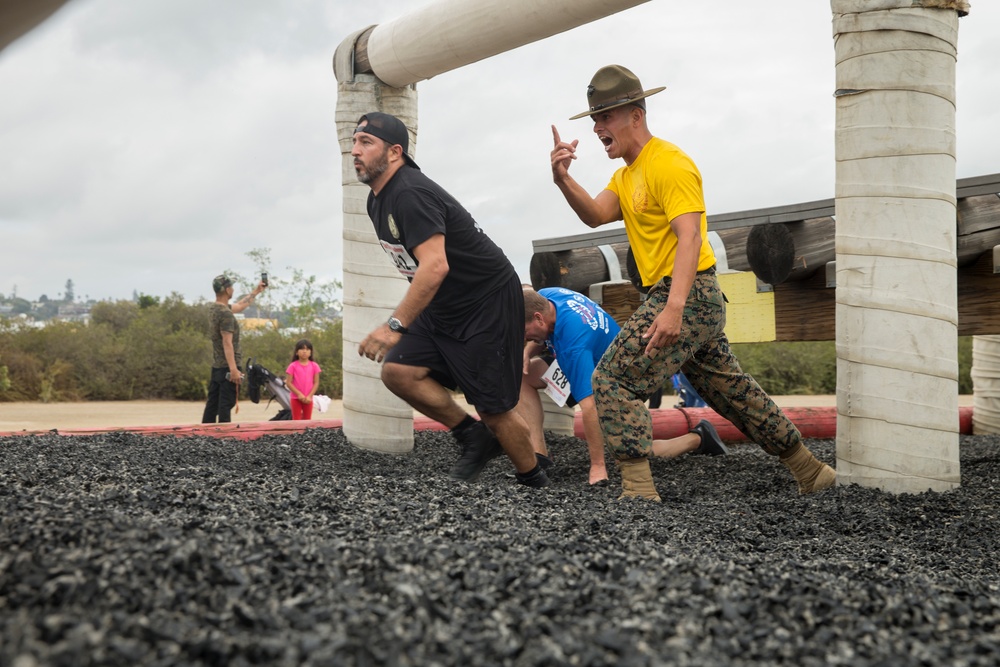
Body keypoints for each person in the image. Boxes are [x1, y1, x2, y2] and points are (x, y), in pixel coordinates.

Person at [549, 65, 836, 501]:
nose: (596, 126)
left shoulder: (670, 162)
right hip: (679, 297)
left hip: (688, 294)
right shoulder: (626, 177)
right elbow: (594, 214)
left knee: (612, 379)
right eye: (594, 117)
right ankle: (810, 470)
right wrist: (563, 179)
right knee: (731, 392)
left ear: (635, 115)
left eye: (605, 116)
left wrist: (674, 308)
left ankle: (639, 491)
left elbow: (691, 235)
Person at [351, 111, 548, 488]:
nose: (354, 151)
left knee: (494, 409)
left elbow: (435, 266)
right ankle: (472, 438)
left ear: (395, 153)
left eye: (365, 143)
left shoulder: (409, 193)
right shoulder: (377, 201)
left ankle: (533, 480)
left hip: (485, 302)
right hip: (444, 304)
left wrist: (395, 325)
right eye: (354, 142)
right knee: (398, 371)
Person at [521, 286, 727, 485]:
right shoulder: (548, 296)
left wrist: (598, 466)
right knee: (523, 377)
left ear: (538, 317)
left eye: (524, 331)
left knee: (631, 455)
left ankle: (699, 437)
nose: (524, 338)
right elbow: (541, 332)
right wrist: (527, 352)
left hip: (617, 383)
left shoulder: (574, 345)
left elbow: (590, 406)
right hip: (589, 360)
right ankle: (540, 457)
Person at [202, 274, 266, 423]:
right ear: (226, 289)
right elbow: (227, 343)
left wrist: (256, 291)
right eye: (231, 286)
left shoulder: (215, 308)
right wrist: (233, 370)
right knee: (226, 404)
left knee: (212, 405)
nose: (233, 289)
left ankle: (203, 436)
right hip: (227, 367)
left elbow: (239, 306)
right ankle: (225, 438)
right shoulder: (225, 314)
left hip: (217, 366)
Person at [285, 339, 321, 420]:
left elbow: (316, 383)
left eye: (307, 349)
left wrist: (309, 396)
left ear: (310, 352)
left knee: (307, 420)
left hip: (308, 399)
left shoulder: (314, 366)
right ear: (297, 352)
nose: (304, 351)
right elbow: (289, 383)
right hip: (296, 398)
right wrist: (299, 394)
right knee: (296, 421)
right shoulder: (292, 366)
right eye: (302, 349)